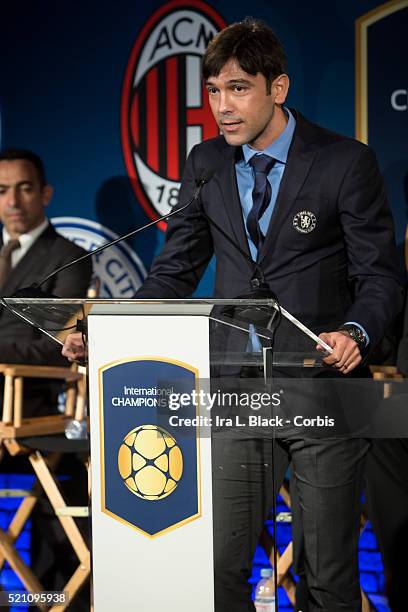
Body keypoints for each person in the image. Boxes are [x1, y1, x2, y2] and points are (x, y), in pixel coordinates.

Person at [63, 18, 403, 611]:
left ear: (279, 88)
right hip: (234, 394)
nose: (222, 106)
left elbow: (379, 274)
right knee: (217, 574)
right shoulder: (206, 164)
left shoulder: (345, 162)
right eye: (214, 91)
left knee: (328, 580)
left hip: (323, 390)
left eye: (239, 87)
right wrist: (108, 331)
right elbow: (175, 269)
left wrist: (355, 331)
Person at [0, 148, 92, 414]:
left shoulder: (69, 257)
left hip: (23, 396)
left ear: (45, 194)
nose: (12, 202)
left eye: (24, 188)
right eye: (2, 191)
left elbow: (57, 348)